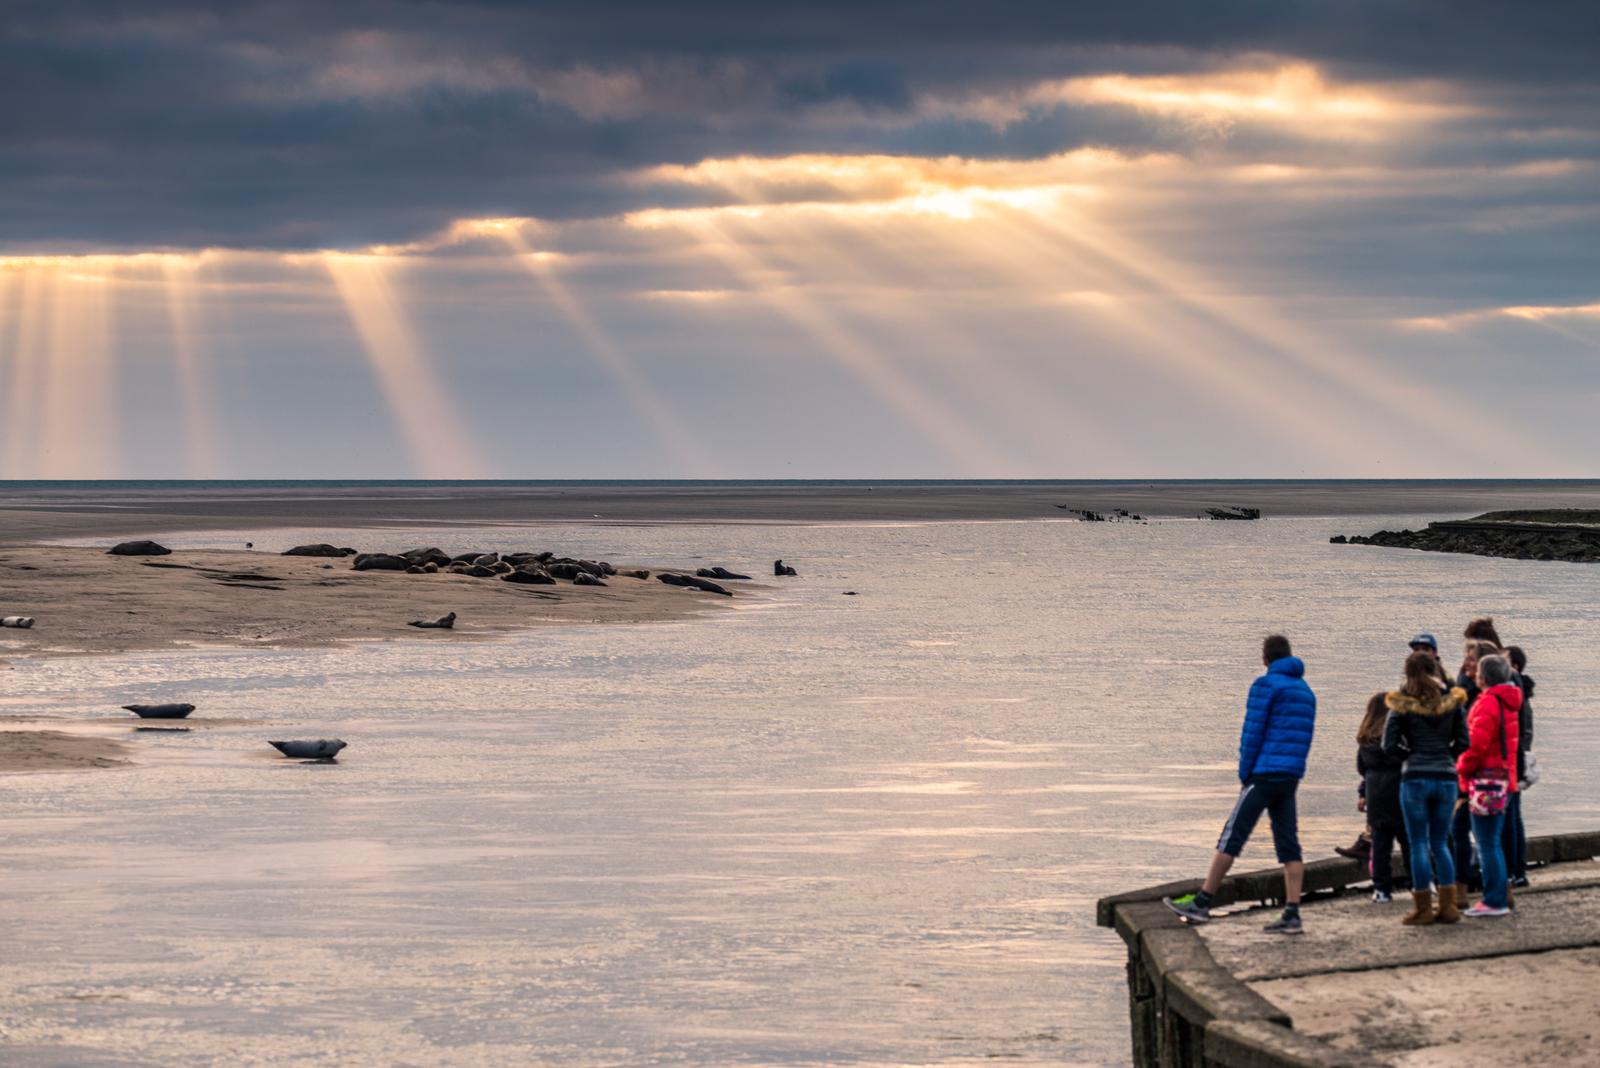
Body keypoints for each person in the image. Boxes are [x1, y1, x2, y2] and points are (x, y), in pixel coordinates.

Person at [1163, 635, 1316, 934]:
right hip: (1290, 777)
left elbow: (1252, 733)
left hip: (1263, 774)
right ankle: (1292, 912)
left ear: (1265, 659)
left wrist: (1245, 774)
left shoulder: (1265, 685)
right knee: (1289, 843)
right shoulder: (1306, 691)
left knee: (1232, 836)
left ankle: (1202, 902)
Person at [1383, 650, 1469, 925]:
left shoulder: (1402, 703)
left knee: (1418, 843)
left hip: (1415, 777)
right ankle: (1449, 906)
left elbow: (1388, 744)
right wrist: (1447, 757)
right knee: (1441, 842)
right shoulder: (1453, 702)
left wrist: (1408, 756)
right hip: (1445, 777)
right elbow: (1464, 742)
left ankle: (1423, 908)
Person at [1458, 653, 1522, 917]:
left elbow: (1476, 745)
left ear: (1483, 677)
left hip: (1485, 781)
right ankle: (1497, 896)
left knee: (1487, 843)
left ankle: (1493, 900)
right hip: (1504, 780)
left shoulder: (1487, 703)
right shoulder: (1509, 701)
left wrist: (1461, 766)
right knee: (1492, 841)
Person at [1357, 691, 1409, 902]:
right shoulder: (1396, 739)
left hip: (1376, 795)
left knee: (1380, 845)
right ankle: (1417, 883)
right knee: (1408, 843)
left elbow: (1361, 768)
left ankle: (1381, 889)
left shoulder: (1365, 740)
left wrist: (1364, 792)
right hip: (1398, 791)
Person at [1505, 646, 1534, 887]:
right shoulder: (1519, 694)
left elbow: (1521, 732)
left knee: (1508, 819)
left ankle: (1512, 871)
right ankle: (1516, 871)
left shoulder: (1512, 696)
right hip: (1514, 763)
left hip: (1508, 766)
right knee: (1513, 817)